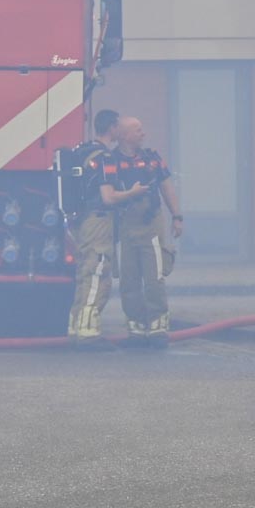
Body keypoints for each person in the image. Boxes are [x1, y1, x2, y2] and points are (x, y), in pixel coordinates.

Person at [102, 116, 181, 350]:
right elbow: (108, 195)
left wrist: (177, 216)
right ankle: (135, 328)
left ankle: (157, 328)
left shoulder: (152, 159)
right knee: (129, 279)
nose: (143, 134)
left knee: (154, 277)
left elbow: (167, 187)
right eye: (138, 130)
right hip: (126, 226)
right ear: (125, 136)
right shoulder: (111, 161)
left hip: (151, 224)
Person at [66, 109, 122, 350]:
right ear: (111, 127)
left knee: (84, 273)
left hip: (80, 222)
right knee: (98, 272)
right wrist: (133, 193)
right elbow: (108, 198)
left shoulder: (82, 152)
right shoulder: (104, 157)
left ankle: (75, 327)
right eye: (117, 126)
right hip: (98, 220)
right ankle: (89, 333)